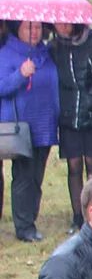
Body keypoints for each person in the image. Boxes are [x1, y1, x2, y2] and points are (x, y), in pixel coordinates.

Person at [48, 21, 92, 232]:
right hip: (68, 112)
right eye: (58, 24)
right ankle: (77, 216)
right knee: (74, 165)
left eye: (66, 24)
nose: (63, 27)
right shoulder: (55, 46)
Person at [0, 19, 58, 241]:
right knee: (24, 177)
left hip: (44, 123)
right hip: (21, 126)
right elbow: (2, 86)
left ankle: (30, 218)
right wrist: (20, 75)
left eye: (38, 27)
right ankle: (24, 227)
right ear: (18, 29)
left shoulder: (46, 53)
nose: (35, 32)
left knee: (36, 175)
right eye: (29, 27)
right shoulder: (7, 53)